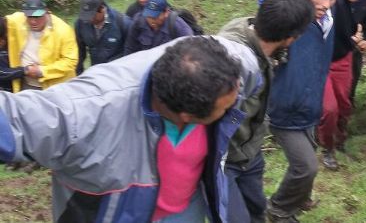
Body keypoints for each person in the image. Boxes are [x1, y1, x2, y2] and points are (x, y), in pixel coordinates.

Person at [0, 36, 263, 222]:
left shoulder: (229, 68)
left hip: (186, 209)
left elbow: (249, 63)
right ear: (188, 116)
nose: (234, 110)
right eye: (226, 109)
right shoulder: (83, 114)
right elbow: (14, 119)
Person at [216, 0, 316, 223]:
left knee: (257, 211)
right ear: (291, 38)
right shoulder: (234, 64)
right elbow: (221, 117)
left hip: (250, 154)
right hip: (222, 161)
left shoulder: (248, 27)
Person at [266, 0, 344, 223]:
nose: (327, 3)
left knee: (306, 160)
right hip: (284, 109)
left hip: (310, 106)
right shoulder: (287, 24)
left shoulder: (329, 21)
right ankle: (278, 209)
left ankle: (301, 198)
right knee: (306, 166)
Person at [319, 0, 366, 171]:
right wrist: (355, 39)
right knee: (329, 108)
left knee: (344, 104)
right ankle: (327, 147)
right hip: (323, 58)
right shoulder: (332, 2)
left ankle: (339, 137)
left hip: (344, 57)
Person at [4, 0, 78, 92]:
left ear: (46, 12)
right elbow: (2, 22)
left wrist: (42, 71)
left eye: (37, 16)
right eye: (29, 17)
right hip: (26, 84)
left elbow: (70, 61)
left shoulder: (63, 30)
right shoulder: (17, 20)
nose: (33, 21)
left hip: (55, 87)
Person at [74, 0, 130, 74]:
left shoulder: (123, 23)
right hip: (97, 73)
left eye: (91, 16)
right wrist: (79, 73)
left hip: (118, 73)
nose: (88, 20)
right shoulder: (80, 24)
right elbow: (80, 51)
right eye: (85, 16)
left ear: (102, 9)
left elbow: (131, 53)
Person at [124, 0, 193, 55]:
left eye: (155, 17)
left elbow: (191, 49)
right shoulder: (138, 21)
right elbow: (130, 48)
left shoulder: (178, 25)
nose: (151, 20)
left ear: (166, 12)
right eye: (148, 16)